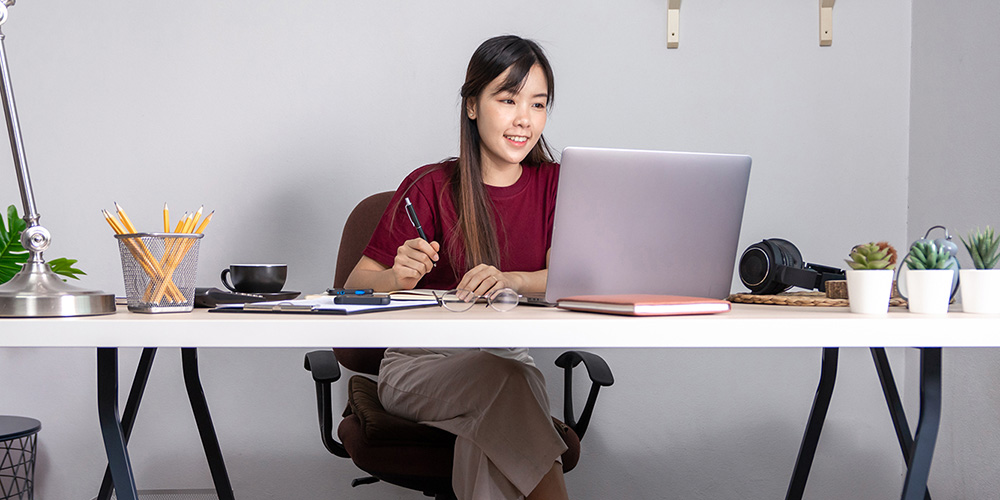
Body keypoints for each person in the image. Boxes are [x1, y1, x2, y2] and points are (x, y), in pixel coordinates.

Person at [344, 35, 570, 500]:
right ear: (472, 105)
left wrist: (513, 280)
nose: (524, 119)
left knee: (490, 416)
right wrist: (394, 278)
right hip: (418, 365)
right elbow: (352, 288)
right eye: (507, 100)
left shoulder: (557, 185)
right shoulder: (430, 186)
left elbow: (572, 277)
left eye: (538, 103)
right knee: (507, 385)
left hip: (506, 362)